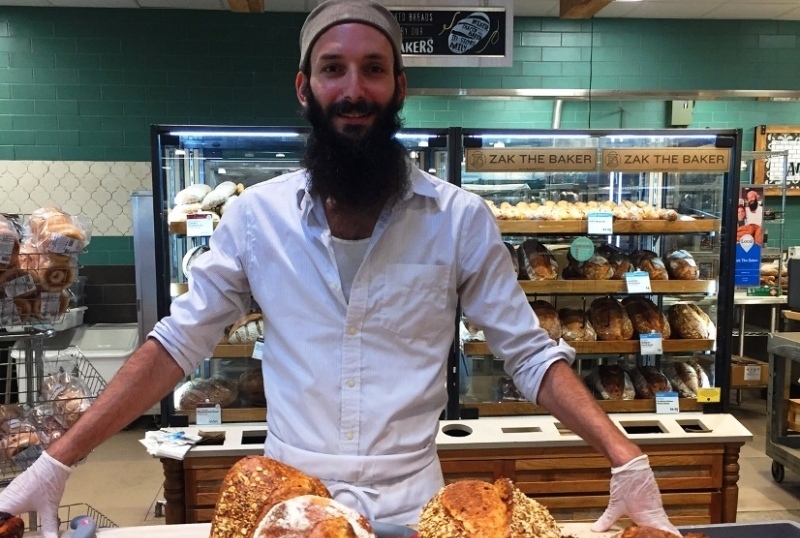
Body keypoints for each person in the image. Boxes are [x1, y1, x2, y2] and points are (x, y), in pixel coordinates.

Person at [0, 0, 679, 535]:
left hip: (416, 510)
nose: (354, 89)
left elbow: (529, 354)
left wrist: (626, 456)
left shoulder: (459, 219)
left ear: (398, 87)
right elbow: (177, 345)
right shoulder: (254, 219)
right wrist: (62, 457)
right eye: (333, 69)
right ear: (305, 87)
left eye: (373, 69)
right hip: (291, 507)